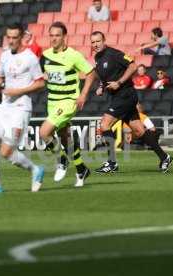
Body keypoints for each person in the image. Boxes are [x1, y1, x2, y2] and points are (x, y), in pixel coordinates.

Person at [90, 31, 173, 173]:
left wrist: (119, 82)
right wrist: (101, 87)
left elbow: (133, 66)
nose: (95, 44)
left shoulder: (114, 54)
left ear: (104, 40)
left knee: (104, 125)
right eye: (93, 42)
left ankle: (111, 163)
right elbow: (105, 77)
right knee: (139, 131)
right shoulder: (97, 57)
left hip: (125, 95)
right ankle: (164, 157)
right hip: (118, 97)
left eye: (98, 41)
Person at [0, 23, 46, 194]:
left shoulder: (30, 58)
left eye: (15, 37)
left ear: (21, 37)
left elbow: (40, 83)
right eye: (9, 37)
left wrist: (18, 91)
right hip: (4, 106)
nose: (11, 41)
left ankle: (35, 170)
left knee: (6, 152)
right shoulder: (5, 55)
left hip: (21, 108)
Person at [39, 22, 96, 188]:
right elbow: (39, 73)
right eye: (51, 35)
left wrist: (83, 95)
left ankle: (62, 160)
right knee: (65, 137)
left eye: (57, 35)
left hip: (68, 101)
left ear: (64, 37)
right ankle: (81, 169)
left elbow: (91, 73)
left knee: (44, 132)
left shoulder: (74, 55)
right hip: (52, 101)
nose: (54, 38)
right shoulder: (45, 55)